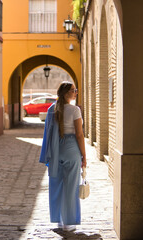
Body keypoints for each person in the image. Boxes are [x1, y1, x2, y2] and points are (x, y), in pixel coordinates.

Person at [39, 81, 87, 231]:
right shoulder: (74, 110)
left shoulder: (52, 109)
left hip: (55, 149)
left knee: (57, 185)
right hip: (71, 148)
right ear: (67, 93)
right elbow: (79, 135)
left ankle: (59, 220)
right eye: (74, 90)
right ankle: (69, 223)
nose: (76, 92)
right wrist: (84, 156)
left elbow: (47, 133)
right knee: (71, 187)